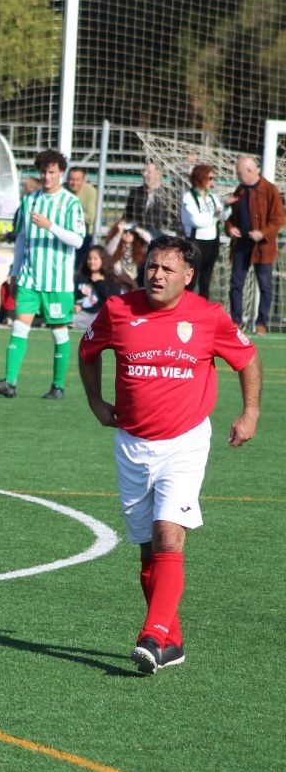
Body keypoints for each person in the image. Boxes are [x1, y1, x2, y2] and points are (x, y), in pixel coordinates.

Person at [78, 236, 260, 674]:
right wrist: (95, 401)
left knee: (168, 535)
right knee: (148, 549)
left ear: (188, 276)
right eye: (152, 267)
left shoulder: (208, 317)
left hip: (185, 442)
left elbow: (248, 359)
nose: (157, 275)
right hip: (132, 444)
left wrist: (250, 412)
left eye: (168, 269)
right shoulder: (118, 310)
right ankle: (172, 642)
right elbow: (88, 351)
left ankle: (151, 635)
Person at [0, 150, 85, 400]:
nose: (47, 176)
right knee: (19, 326)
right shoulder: (29, 201)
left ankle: (58, 386)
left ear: (61, 173)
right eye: (43, 172)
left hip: (57, 282)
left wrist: (51, 226)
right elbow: (21, 238)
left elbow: (77, 240)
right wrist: (15, 271)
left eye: (52, 172)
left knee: (59, 331)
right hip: (30, 278)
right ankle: (9, 382)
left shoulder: (71, 203)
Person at [223, 154, 284, 333]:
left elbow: (278, 219)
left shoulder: (270, 190)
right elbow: (230, 217)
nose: (237, 176)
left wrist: (262, 233)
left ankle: (261, 323)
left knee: (265, 286)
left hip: (263, 247)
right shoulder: (240, 190)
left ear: (250, 171)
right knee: (236, 284)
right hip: (241, 246)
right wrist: (230, 228)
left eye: (239, 173)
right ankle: (236, 321)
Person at [180, 163, 225, 300]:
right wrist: (214, 217)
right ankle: (184, 307)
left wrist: (225, 209)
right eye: (210, 178)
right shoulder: (188, 197)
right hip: (196, 242)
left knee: (206, 281)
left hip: (213, 241)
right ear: (201, 178)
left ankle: (203, 308)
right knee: (191, 280)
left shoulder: (212, 196)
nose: (212, 182)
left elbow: (221, 214)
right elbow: (197, 221)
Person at [123, 161, 181, 240]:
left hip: (161, 239)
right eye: (143, 171)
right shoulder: (135, 193)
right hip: (138, 238)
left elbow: (174, 222)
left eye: (149, 172)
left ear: (159, 174)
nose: (144, 174)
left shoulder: (170, 195)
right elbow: (128, 217)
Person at [72, 246, 114, 331]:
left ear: (103, 260)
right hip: (83, 314)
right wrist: (78, 305)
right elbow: (78, 297)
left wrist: (100, 282)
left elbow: (111, 302)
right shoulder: (82, 278)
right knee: (70, 319)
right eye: (89, 259)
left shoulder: (110, 281)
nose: (91, 261)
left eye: (95, 259)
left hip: (99, 315)